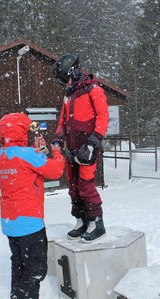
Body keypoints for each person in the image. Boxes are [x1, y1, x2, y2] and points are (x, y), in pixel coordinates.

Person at [0, 113, 65, 299]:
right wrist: (57, 151)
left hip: (10, 222)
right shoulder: (28, 155)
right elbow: (56, 170)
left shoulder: (0, 155)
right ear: (22, 132)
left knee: (18, 265)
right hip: (30, 223)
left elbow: (22, 165)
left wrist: (37, 149)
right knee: (36, 270)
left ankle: (16, 296)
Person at [52, 53, 109, 242]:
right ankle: (81, 220)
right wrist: (58, 138)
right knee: (74, 187)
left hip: (87, 147)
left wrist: (95, 140)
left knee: (86, 185)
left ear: (74, 72)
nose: (64, 83)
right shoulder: (69, 95)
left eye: (65, 78)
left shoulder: (93, 89)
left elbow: (102, 115)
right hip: (72, 149)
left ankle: (96, 222)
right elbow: (63, 120)